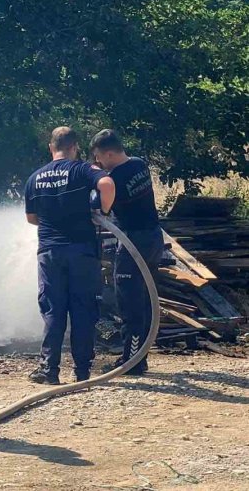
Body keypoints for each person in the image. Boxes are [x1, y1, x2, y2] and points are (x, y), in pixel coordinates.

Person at [24, 126, 115, 384]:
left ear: (51, 147)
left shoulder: (35, 178)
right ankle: (82, 371)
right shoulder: (82, 169)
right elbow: (107, 184)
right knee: (82, 309)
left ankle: (49, 370)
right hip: (82, 251)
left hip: (50, 252)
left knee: (53, 310)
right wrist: (103, 211)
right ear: (74, 147)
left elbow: (31, 218)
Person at [90, 129, 163, 375]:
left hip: (134, 242)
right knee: (145, 298)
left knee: (129, 301)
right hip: (153, 238)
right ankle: (140, 357)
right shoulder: (139, 164)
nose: (98, 161)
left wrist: (94, 178)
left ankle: (132, 361)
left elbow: (98, 206)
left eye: (99, 156)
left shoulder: (115, 179)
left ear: (109, 154)